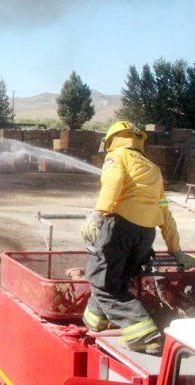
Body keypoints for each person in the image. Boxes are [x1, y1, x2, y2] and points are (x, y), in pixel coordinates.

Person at [81, 121, 194, 354]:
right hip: (145, 235)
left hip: (119, 228)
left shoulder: (117, 157)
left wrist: (98, 214)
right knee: (116, 279)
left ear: (111, 141)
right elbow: (164, 211)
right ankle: (96, 321)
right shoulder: (153, 168)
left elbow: (113, 184)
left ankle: (144, 335)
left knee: (104, 283)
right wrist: (175, 249)